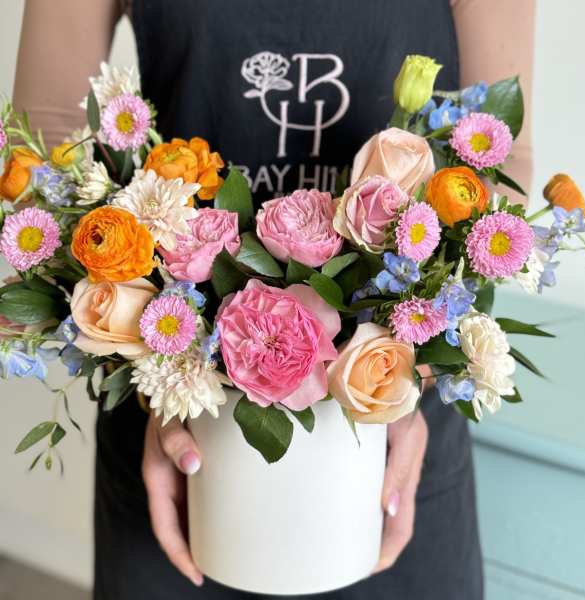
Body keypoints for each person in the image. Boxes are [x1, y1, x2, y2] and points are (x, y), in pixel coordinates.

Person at [13, 1, 535, 598]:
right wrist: (162, 374)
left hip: (391, 435)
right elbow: (43, 146)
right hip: (177, 424)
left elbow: (502, 158)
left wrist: (406, 379)